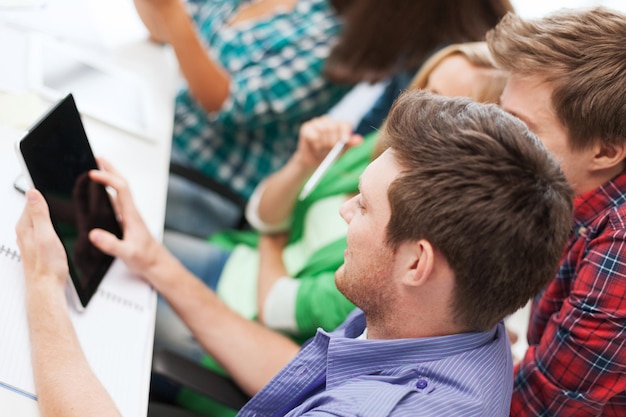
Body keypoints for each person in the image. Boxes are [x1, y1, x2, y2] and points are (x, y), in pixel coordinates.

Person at [17, 90, 573, 416]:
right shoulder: (449, 323)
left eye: (365, 206)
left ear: (416, 262)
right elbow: (302, 374)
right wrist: (156, 262)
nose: (344, 212)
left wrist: (43, 284)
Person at [158, 40, 509, 415]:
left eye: (443, 104)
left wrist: (272, 235)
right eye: (424, 88)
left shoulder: (381, 266)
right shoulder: (384, 150)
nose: (420, 109)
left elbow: (275, 298)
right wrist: (300, 164)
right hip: (237, 262)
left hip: (239, 330)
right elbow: (262, 211)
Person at [133, 0, 515, 236]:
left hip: (199, 172)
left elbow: (232, 103)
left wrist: (174, 19)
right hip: (161, 118)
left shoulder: (344, 39)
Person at [485, 7, 626, 415]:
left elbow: (538, 405)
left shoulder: (619, 246)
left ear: (605, 151)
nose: (495, 139)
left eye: (520, 126)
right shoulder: (560, 196)